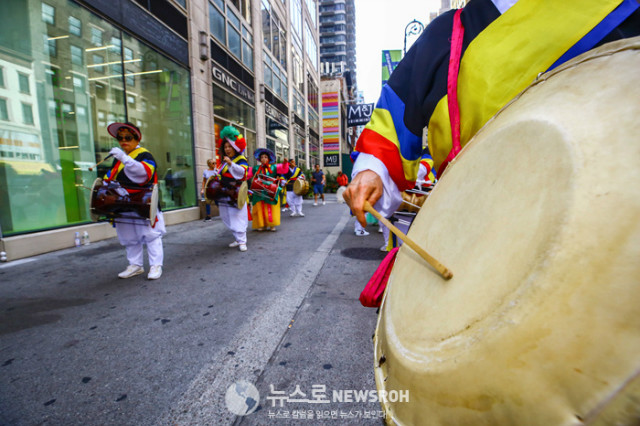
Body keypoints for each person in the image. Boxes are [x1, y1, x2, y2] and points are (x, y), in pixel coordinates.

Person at [343, 0, 640, 225]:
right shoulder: (445, 34)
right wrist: (373, 171)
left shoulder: (618, 9)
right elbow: (391, 124)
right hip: (471, 226)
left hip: (608, 209)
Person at [105, 122, 165, 280]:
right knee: (128, 236)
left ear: (137, 139)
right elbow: (110, 177)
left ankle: (155, 265)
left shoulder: (144, 155)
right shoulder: (118, 159)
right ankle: (135, 265)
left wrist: (124, 158)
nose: (123, 140)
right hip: (123, 203)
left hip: (142, 202)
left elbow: (143, 173)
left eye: (128, 137)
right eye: (120, 138)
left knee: (150, 234)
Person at [215, 126, 250, 251]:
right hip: (225, 192)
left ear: (235, 147)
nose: (227, 149)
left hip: (236, 191)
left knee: (237, 215)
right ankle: (237, 237)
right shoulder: (224, 162)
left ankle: (242, 241)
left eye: (229, 146)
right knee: (226, 216)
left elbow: (242, 173)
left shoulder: (241, 160)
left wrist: (231, 164)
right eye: (225, 147)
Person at [249, 148, 288, 231]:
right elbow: (247, 173)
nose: (264, 159)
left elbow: (283, 168)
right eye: (262, 157)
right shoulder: (256, 168)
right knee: (259, 207)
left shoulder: (273, 167)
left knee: (271, 207)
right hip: (259, 189)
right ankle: (261, 224)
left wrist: (285, 163)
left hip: (270, 189)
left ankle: (271, 224)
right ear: (259, 159)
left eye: (266, 157)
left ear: (269, 159)